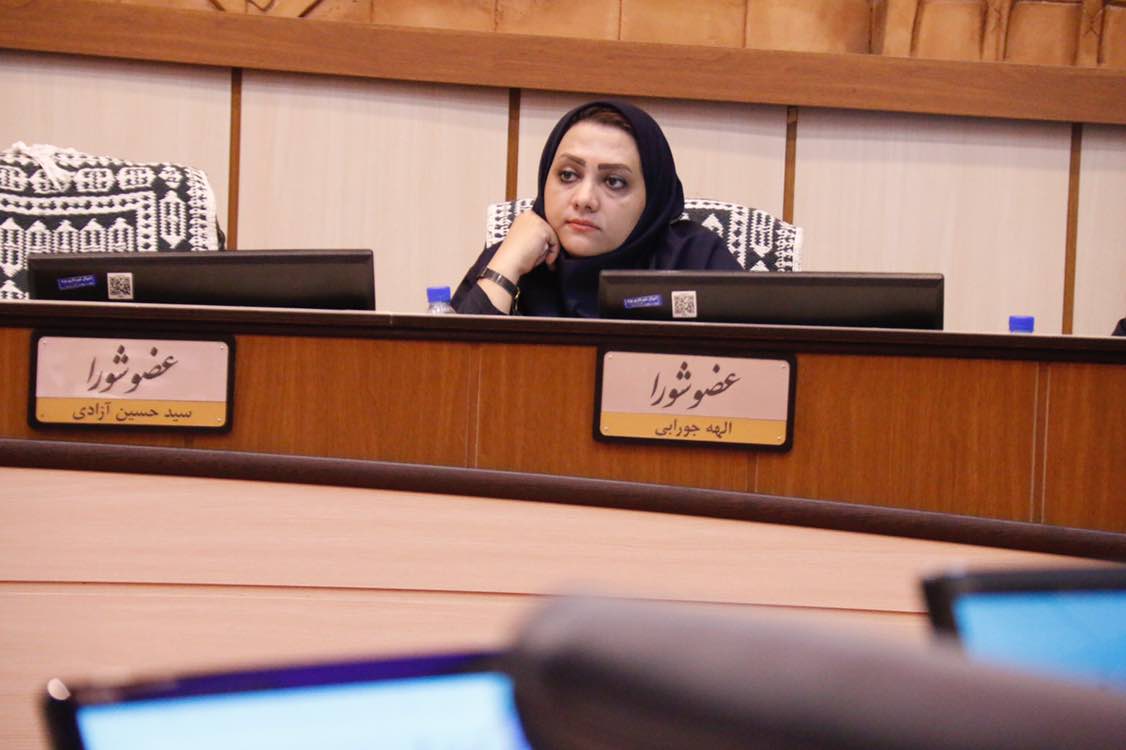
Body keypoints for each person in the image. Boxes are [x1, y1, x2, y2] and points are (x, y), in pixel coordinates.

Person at [451, 100, 742, 317]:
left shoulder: (695, 261)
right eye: (568, 175)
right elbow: (452, 371)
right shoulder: (517, 258)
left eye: (614, 182)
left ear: (651, 199)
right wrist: (507, 266)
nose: (584, 199)